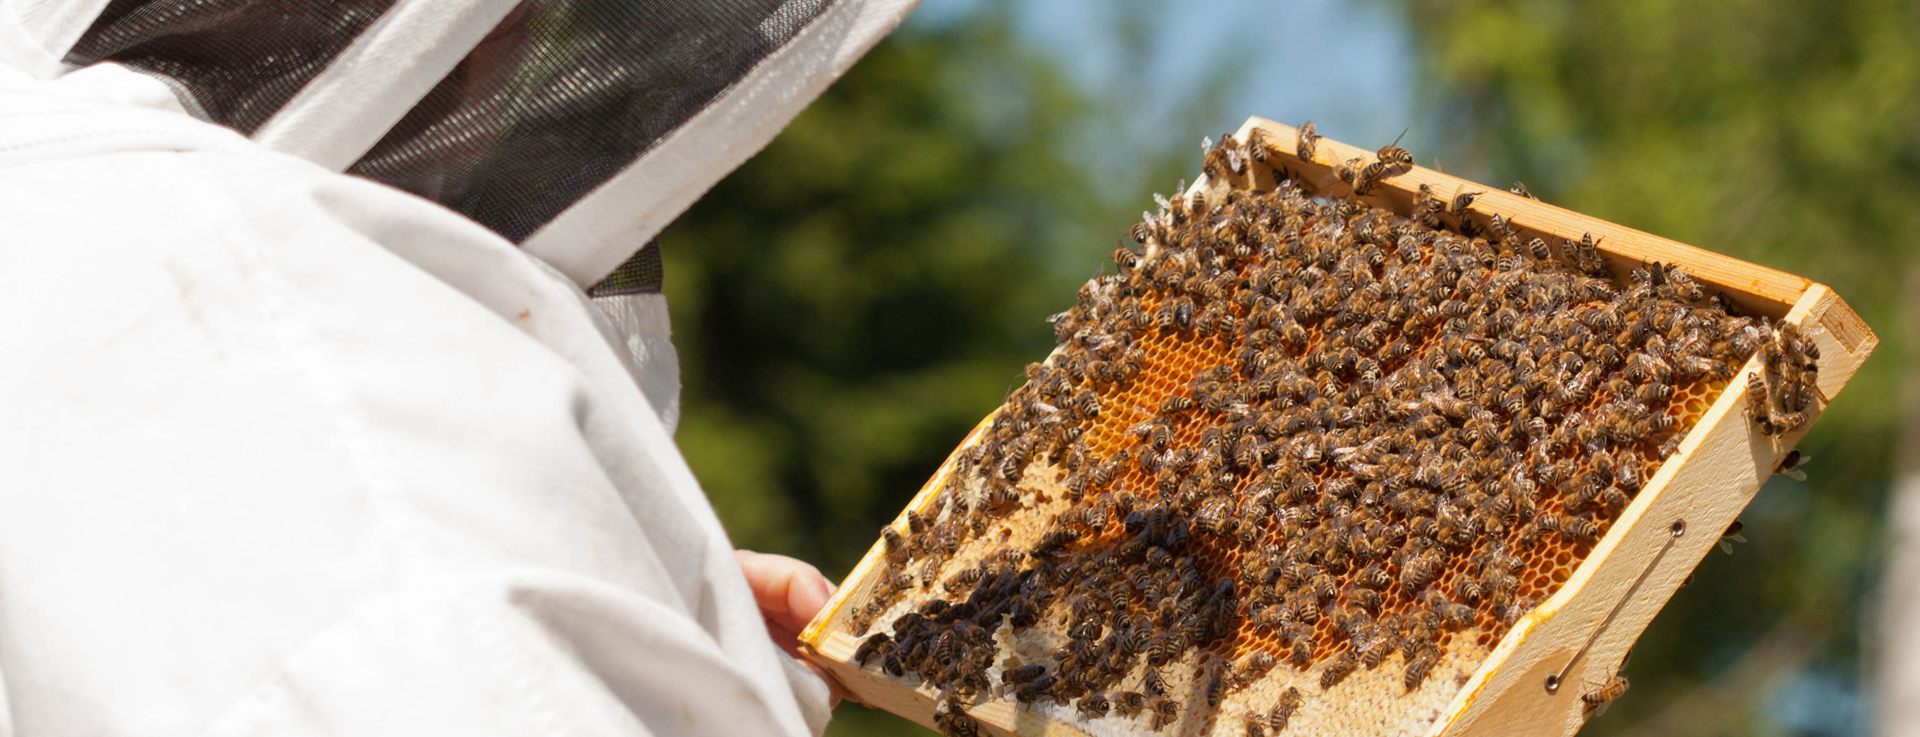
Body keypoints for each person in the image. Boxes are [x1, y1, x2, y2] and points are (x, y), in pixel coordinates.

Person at [0, 1, 918, 734]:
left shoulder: (52, 231)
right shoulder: (361, 408)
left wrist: (637, 623)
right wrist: (525, 590)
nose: (521, 46)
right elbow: (445, 637)